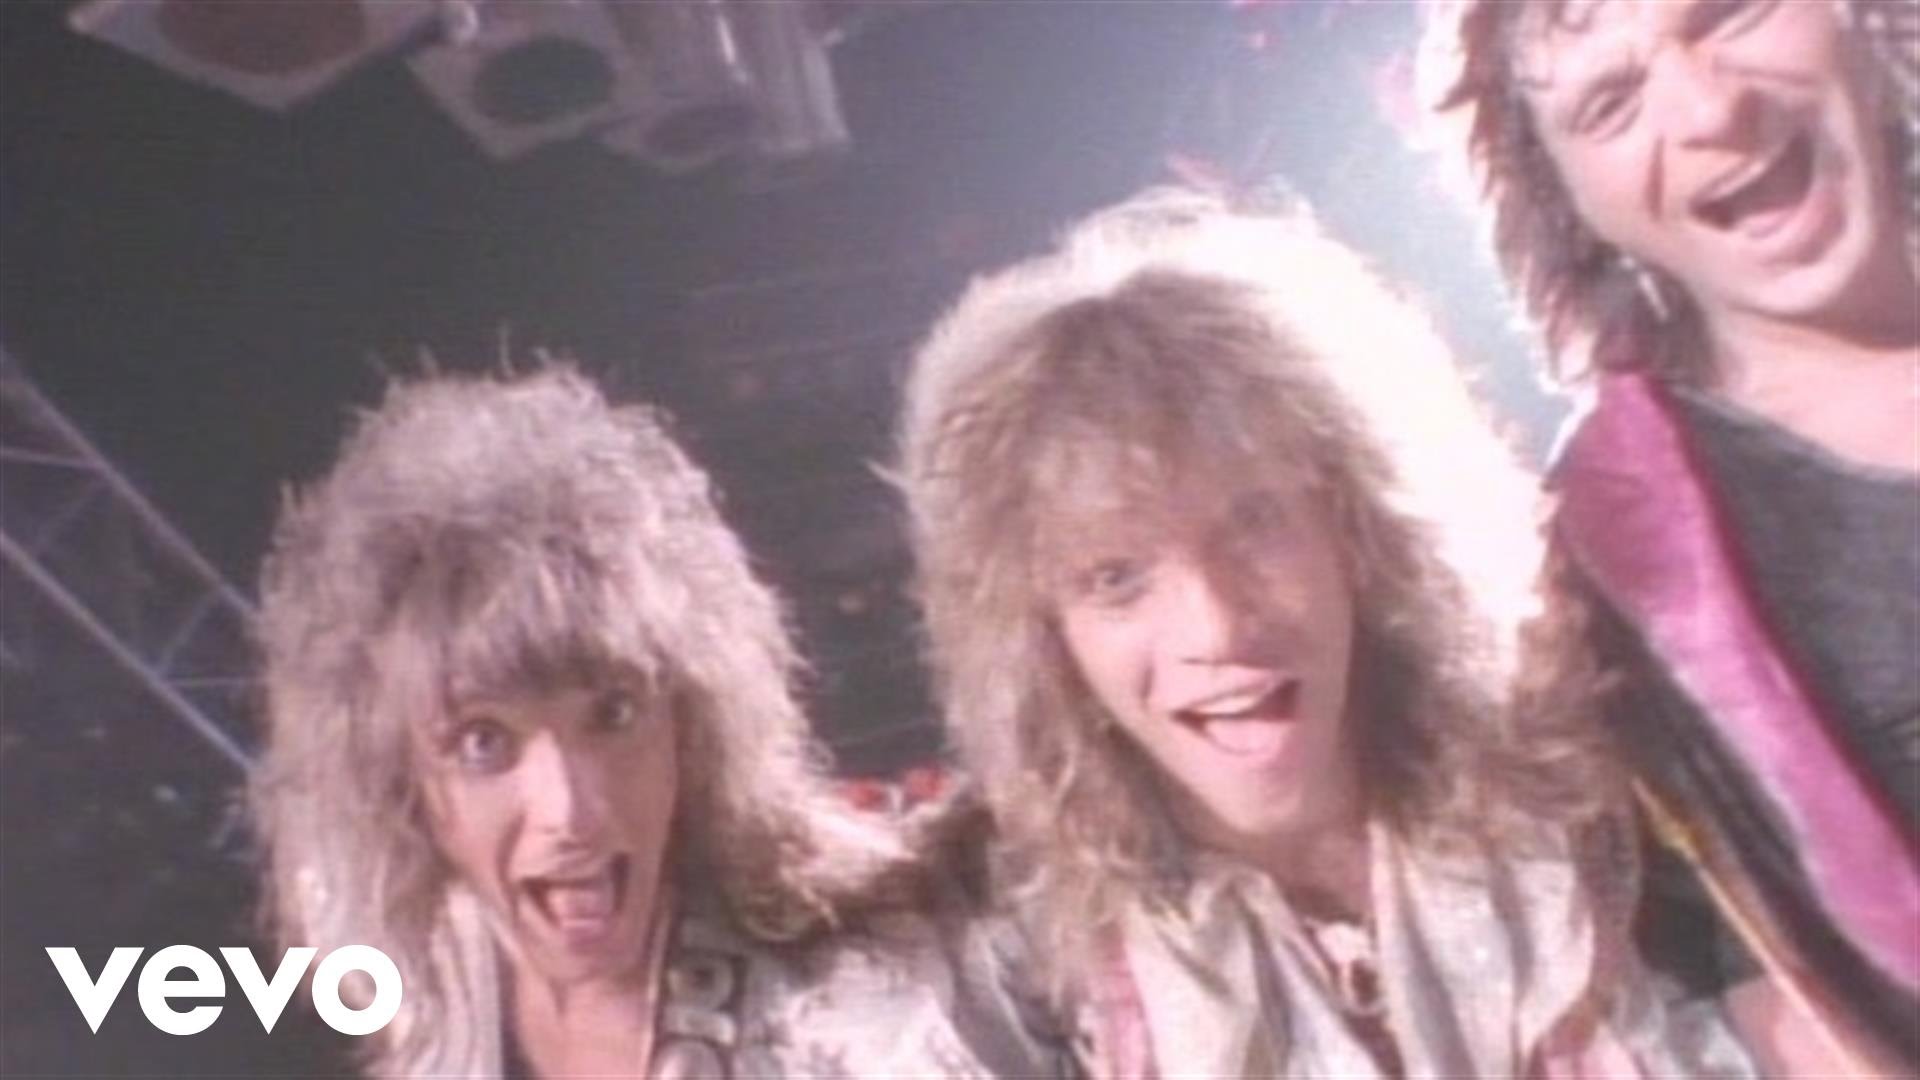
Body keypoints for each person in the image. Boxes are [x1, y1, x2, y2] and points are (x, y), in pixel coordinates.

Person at [896, 189, 1754, 1077]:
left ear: (1362, 529)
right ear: (1044, 639)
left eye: (1256, 527)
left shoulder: (1614, 792)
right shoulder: (1012, 979)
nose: (1216, 625)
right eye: (1118, 579)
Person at [251, 365, 996, 1077]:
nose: (571, 811)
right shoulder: (431, 965)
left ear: (690, 723)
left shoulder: (869, 998)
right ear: (397, 782)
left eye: (613, 713)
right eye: (484, 742)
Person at [1428, 0, 1918, 1071]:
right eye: (1612, 102)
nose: (1710, 109)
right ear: (1568, 201)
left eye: (1732, 12)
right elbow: (1741, 985)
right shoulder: (1618, 573)